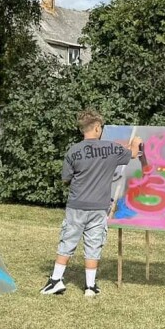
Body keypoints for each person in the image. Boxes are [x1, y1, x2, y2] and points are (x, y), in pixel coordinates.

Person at [40, 110, 144, 298]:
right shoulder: (112, 149)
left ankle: (55, 280)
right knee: (94, 244)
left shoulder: (73, 151)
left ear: (83, 129)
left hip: (76, 205)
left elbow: (66, 178)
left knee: (68, 240)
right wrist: (136, 143)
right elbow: (134, 154)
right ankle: (90, 286)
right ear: (97, 127)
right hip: (99, 207)